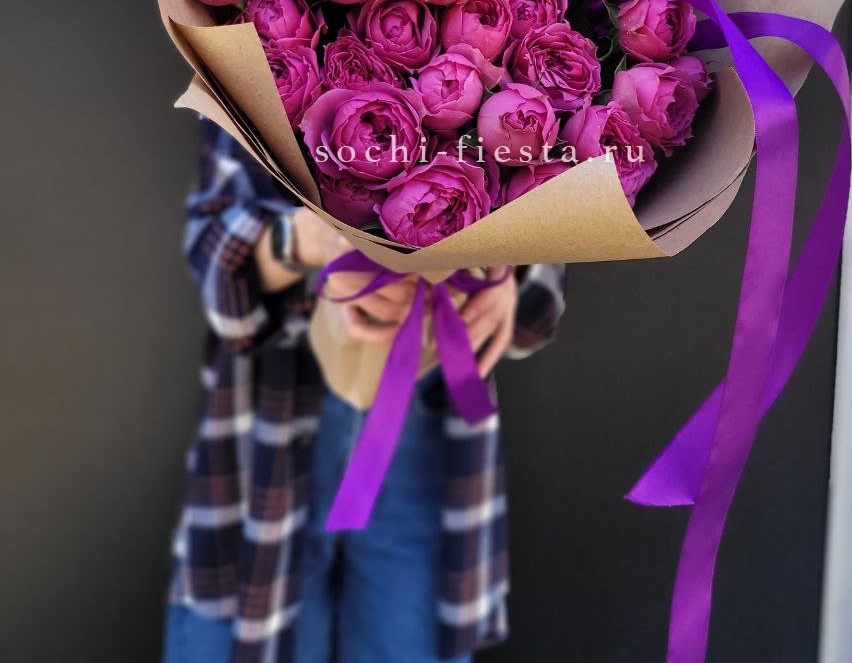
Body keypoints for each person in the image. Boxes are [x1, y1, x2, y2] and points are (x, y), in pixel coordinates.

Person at [163, 119, 566, 663]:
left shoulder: (511, 100)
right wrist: (309, 241)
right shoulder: (242, 76)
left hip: (431, 461)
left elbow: (540, 308)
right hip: (262, 459)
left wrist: (507, 271)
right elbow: (215, 269)